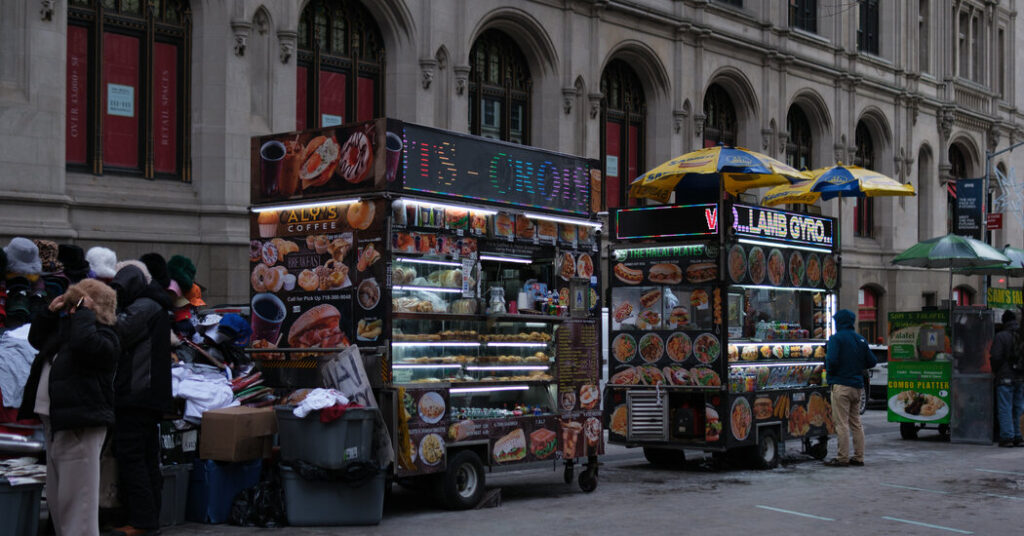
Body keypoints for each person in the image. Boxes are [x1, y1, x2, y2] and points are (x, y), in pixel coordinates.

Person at [19, 278, 120, 536]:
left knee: (79, 502)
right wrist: (49, 313)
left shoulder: (105, 337)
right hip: (57, 420)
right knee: (58, 498)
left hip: (81, 423)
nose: (72, 310)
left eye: (77, 304)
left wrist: (84, 313)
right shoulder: (69, 332)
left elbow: (86, 345)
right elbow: (38, 339)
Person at [108, 264, 174, 535]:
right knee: (145, 458)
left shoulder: (143, 306)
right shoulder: (153, 304)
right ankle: (146, 518)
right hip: (147, 394)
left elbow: (118, 333)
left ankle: (141, 521)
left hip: (137, 393)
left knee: (132, 456)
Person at [824, 309, 877, 467]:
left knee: (841, 424)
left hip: (841, 385)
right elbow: (872, 361)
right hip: (857, 387)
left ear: (839, 322)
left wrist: (831, 375)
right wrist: (858, 366)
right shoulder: (860, 339)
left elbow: (831, 360)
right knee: (856, 422)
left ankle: (843, 458)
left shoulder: (836, 339)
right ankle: (859, 457)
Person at [989, 310, 1024, 447]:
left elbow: (996, 357)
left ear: (1004, 322)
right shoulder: (1021, 335)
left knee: (1005, 407)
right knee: (1018, 408)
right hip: (1021, 377)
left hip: (1005, 377)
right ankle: (1018, 435)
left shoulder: (1001, 336)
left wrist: (996, 371)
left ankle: (1007, 437)